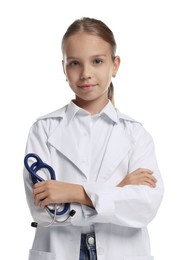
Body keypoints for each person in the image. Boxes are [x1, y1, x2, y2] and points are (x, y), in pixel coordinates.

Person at [23, 17, 164, 260]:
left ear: (115, 65)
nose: (86, 73)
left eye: (97, 61)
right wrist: (117, 192)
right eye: (75, 63)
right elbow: (44, 213)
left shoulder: (136, 134)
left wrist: (74, 193)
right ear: (64, 68)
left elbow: (144, 207)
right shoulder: (43, 129)